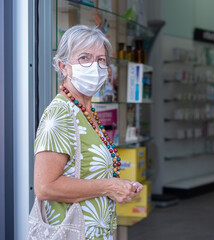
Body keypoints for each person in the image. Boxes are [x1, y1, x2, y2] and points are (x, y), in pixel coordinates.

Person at [33, 25, 143, 240]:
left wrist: (121, 187)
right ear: (63, 67)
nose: (95, 66)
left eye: (101, 59)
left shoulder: (85, 112)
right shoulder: (60, 113)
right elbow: (45, 187)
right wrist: (109, 186)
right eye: (84, 57)